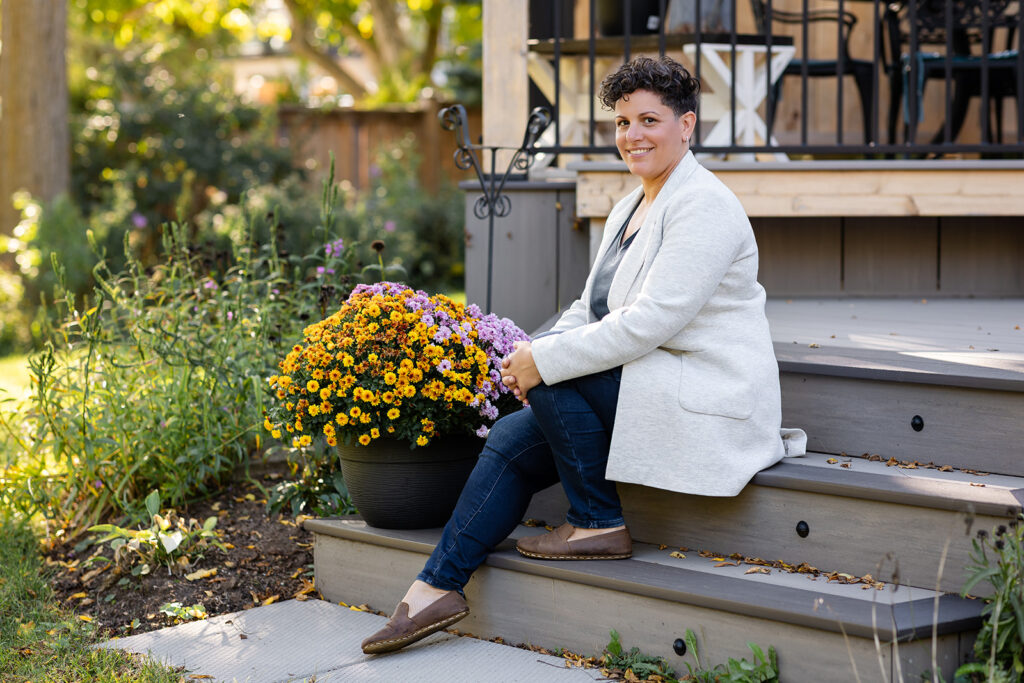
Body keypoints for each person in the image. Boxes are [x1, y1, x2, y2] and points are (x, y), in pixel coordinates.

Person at [359, 55, 806, 655]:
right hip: (648, 379)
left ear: (686, 126)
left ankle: (597, 520)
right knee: (511, 437)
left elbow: (649, 323)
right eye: (622, 122)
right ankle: (434, 589)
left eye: (648, 120)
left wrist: (543, 364)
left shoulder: (705, 206)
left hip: (705, 391)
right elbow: (588, 308)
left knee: (553, 376)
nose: (632, 135)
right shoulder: (629, 207)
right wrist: (530, 352)